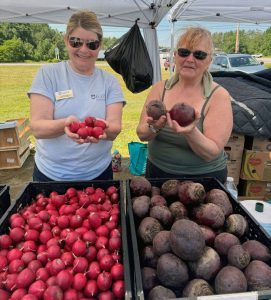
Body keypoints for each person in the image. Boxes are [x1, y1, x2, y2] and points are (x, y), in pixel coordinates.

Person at [28, 10, 125, 181]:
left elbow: (115, 127)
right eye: (76, 42)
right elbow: (37, 128)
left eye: (92, 44)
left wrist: (99, 129)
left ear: (100, 45)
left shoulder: (109, 81)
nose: (84, 50)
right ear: (66, 41)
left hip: (98, 174)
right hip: (51, 175)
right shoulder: (48, 74)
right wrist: (64, 124)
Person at [136, 27, 233, 184]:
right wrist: (154, 127)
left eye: (199, 55)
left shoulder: (218, 96)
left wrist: (190, 132)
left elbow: (211, 153)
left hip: (202, 180)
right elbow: (141, 134)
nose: (190, 59)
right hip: (157, 172)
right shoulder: (160, 89)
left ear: (209, 61)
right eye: (183, 52)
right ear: (175, 56)